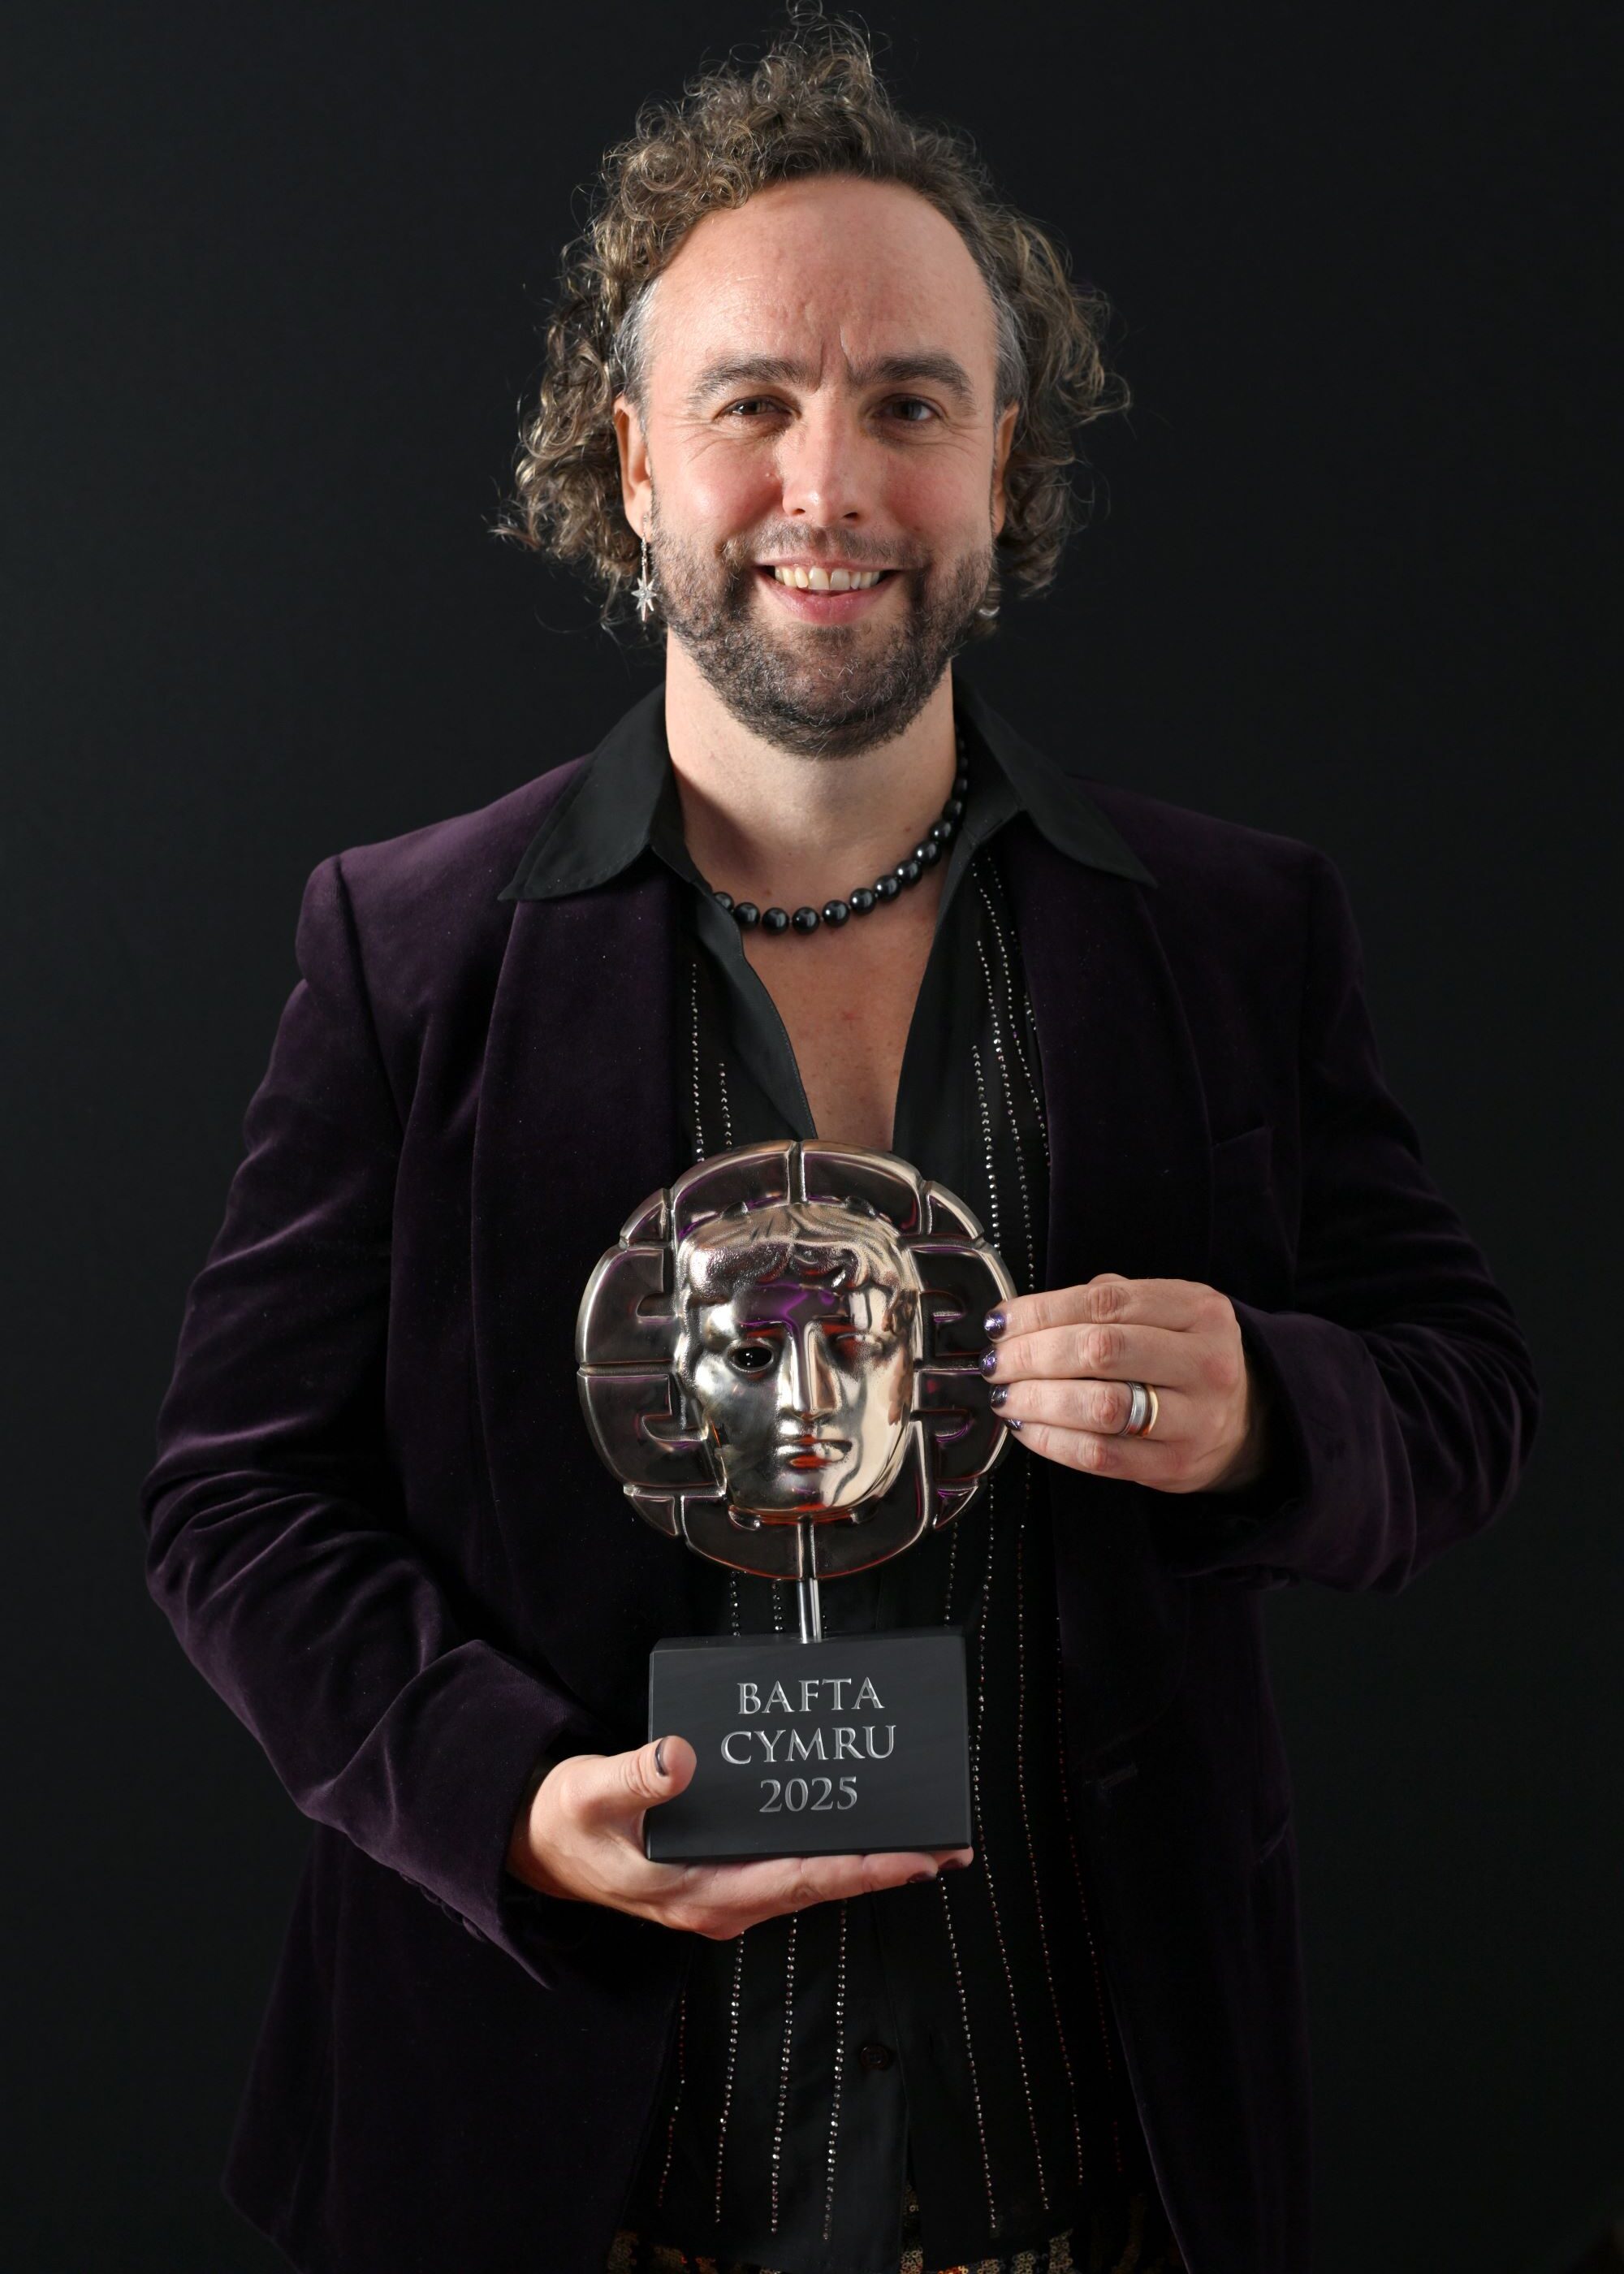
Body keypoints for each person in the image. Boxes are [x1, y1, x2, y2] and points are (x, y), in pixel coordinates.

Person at [140, 20, 1540, 2274]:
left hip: (1090, 2190)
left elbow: (1464, 1393)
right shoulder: (406, 949)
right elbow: (230, 1502)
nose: (831, 482)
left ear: (1003, 465)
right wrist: (507, 1800)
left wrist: (1276, 1409)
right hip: (545, 2182)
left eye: (909, 403)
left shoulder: (1232, 931)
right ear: (631, 462)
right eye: (752, 403)